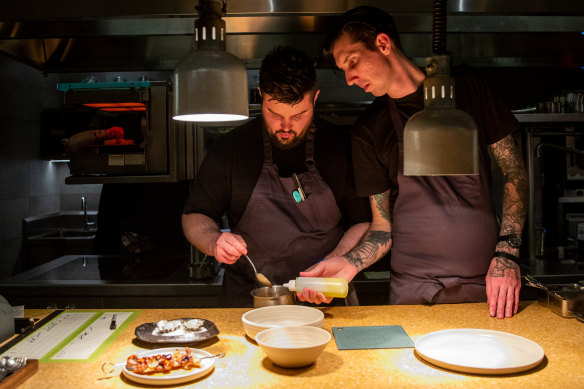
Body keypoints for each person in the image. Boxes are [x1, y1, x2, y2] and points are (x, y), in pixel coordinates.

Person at [300, 6, 528, 319]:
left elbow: (515, 172)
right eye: (344, 70)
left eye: (352, 61)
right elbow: (382, 227)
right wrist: (351, 262)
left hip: (488, 286)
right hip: (411, 292)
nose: (350, 79)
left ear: (382, 44)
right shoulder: (369, 128)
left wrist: (508, 254)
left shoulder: (469, 88)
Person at [182, 45, 371, 307]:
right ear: (261, 95)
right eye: (275, 114)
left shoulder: (341, 147)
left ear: (314, 99)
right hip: (249, 302)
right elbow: (195, 215)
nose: (286, 127)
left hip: (327, 299)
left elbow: (364, 221)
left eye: (299, 115)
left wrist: (335, 263)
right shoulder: (230, 149)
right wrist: (214, 241)